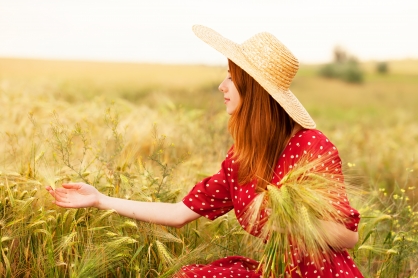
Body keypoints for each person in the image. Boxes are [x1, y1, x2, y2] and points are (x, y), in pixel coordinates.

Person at [46, 25, 363, 277]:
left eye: (231, 78)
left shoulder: (311, 148)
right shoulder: (243, 159)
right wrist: (100, 199)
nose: (222, 86)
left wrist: (291, 221)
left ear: (253, 90)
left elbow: (349, 237)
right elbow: (178, 213)